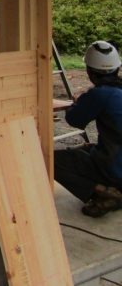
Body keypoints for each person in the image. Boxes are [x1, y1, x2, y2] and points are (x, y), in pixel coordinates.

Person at [54, 40, 122, 218]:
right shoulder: (115, 91)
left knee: (52, 160)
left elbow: (74, 120)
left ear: (90, 71)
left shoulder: (100, 94)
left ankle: (102, 192)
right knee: (87, 148)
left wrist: (78, 102)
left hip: (116, 170)